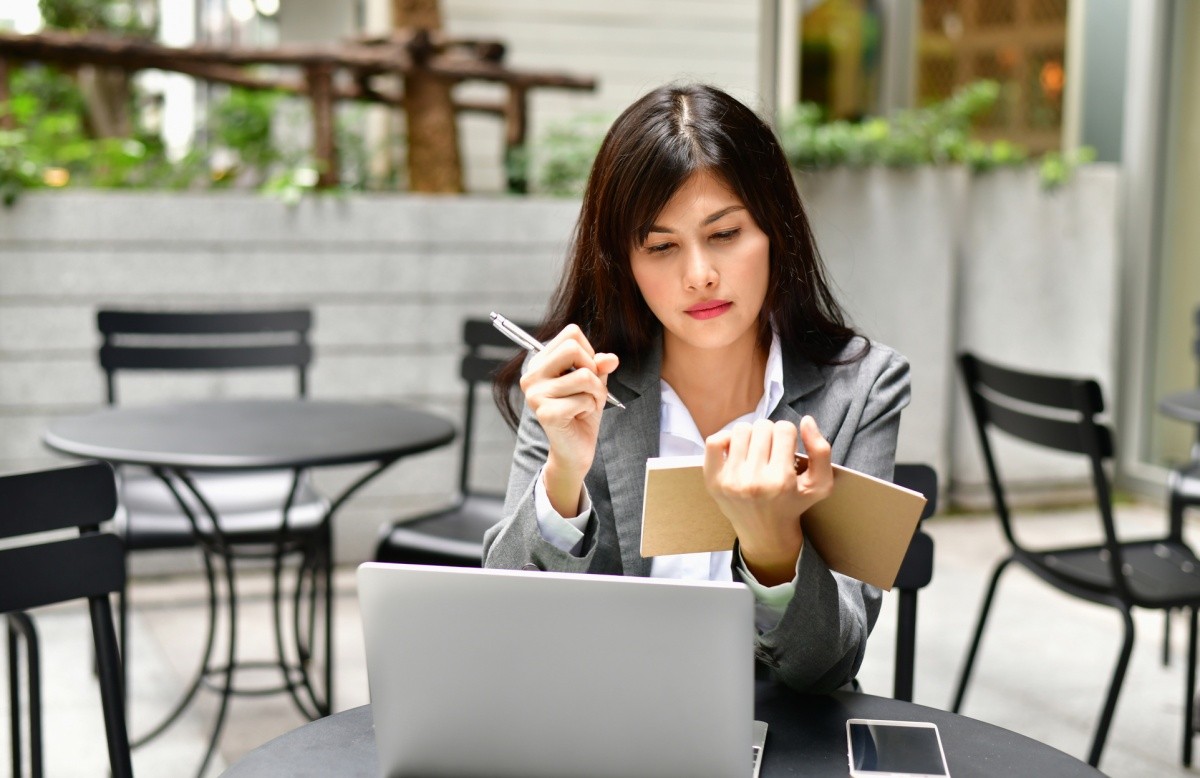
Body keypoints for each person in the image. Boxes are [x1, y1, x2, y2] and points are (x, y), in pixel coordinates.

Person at [483, 82, 911, 693]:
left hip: (784, 739)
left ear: (776, 231)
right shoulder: (577, 381)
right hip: (614, 725)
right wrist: (563, 481)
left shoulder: (862, 388)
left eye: (725, 234)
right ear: (623, 263)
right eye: (661, 246)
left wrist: (772, 545)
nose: (699, 275)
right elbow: (507, 625)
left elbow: (834, 663)